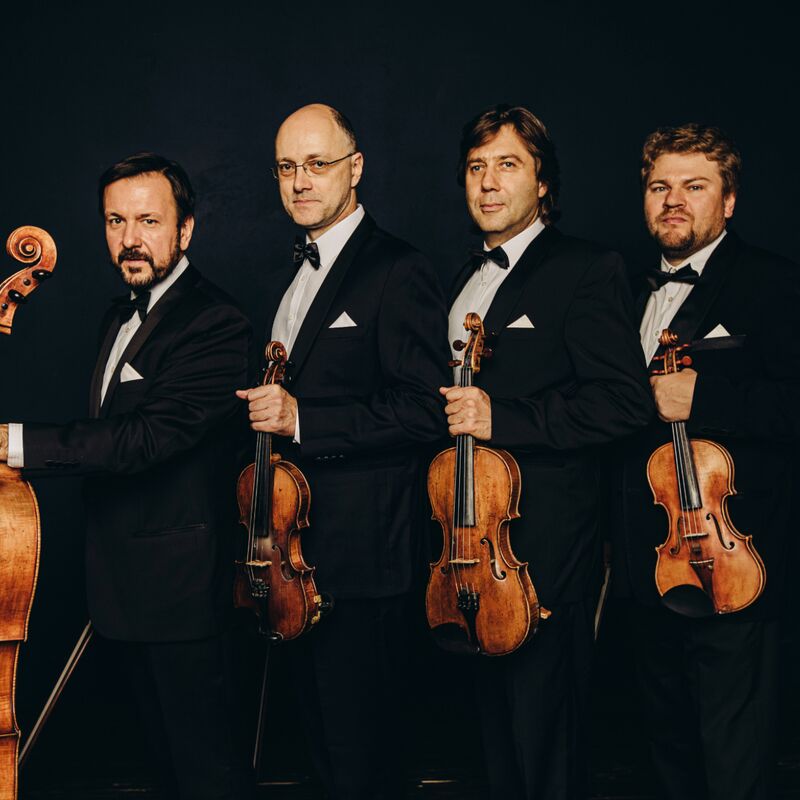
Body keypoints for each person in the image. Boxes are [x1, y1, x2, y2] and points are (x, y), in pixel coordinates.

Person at [0, 152, 252, 799]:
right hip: (120, 594)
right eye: (116, 221)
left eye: (147, 220)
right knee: (163, 775)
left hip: (183, 599)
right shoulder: (120, 314)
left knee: (207, 778)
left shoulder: (217, 322)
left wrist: (13, 442)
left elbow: (144, 439)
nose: (129, 239)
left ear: (186, 229)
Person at [237, 103, 450, 800]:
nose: (301, 181)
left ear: (355, 168)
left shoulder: (399, 269)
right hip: (293, 562)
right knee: (321, 760)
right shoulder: (283, 276)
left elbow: (424, 410)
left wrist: (304, 418)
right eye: (287, 167)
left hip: (365, 566)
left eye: (318, 163)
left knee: (364, 764)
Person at [440, 104, 652, 800]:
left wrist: (502, 414)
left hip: (544, 553)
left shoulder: (587, 269)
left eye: (508, 165)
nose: (488, 183)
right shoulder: (461, 280)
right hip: (468, 546)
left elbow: (623, 403)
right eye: (476, 167)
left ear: (543, 184)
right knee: (491, 744)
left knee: (546, 739)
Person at [611, 123, 800, 800]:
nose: (673, 201)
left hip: (734, 569)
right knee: (667, 759)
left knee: (733, 762)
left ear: (728, 202)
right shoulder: (622, 293)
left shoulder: (773, 284)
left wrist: (706, 395)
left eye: (695, 186)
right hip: (645, 566)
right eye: (660, 186)